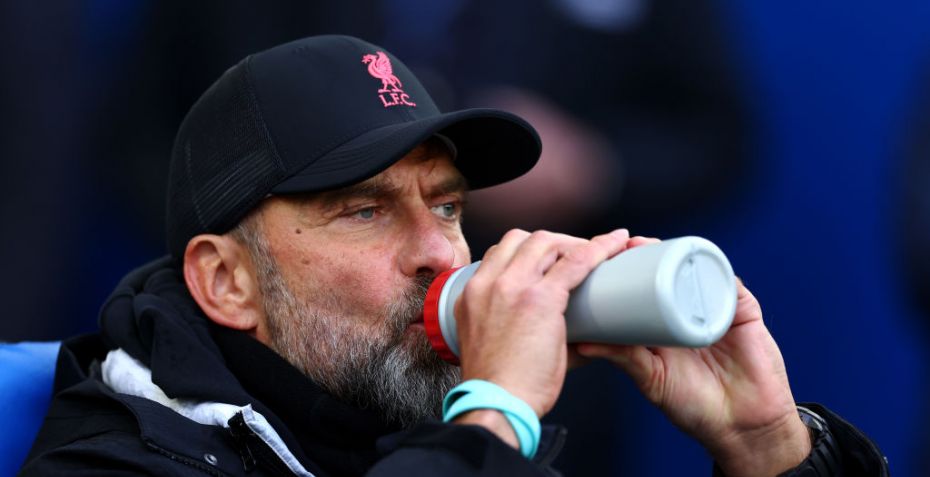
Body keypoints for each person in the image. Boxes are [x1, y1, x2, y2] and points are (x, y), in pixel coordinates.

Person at [21, 35, 887, 476]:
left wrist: (770, 449)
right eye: (365, 209)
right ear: (227, 281)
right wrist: (496, 417)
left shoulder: (430, 426)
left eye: (448, 205)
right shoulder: (110, 455)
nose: (441, 251)